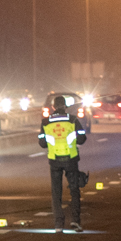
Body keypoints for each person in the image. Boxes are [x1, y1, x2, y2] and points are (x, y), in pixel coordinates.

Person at [38, 96, 88, 233]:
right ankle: (75, 221)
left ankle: (58, 224)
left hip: (54, 160)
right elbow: (82, 138)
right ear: (65, 106)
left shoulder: (46, 122)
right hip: (71, 159)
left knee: (56, 192)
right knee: (74, 190)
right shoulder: (72, 120)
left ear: (53, 107)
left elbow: (42, 143)